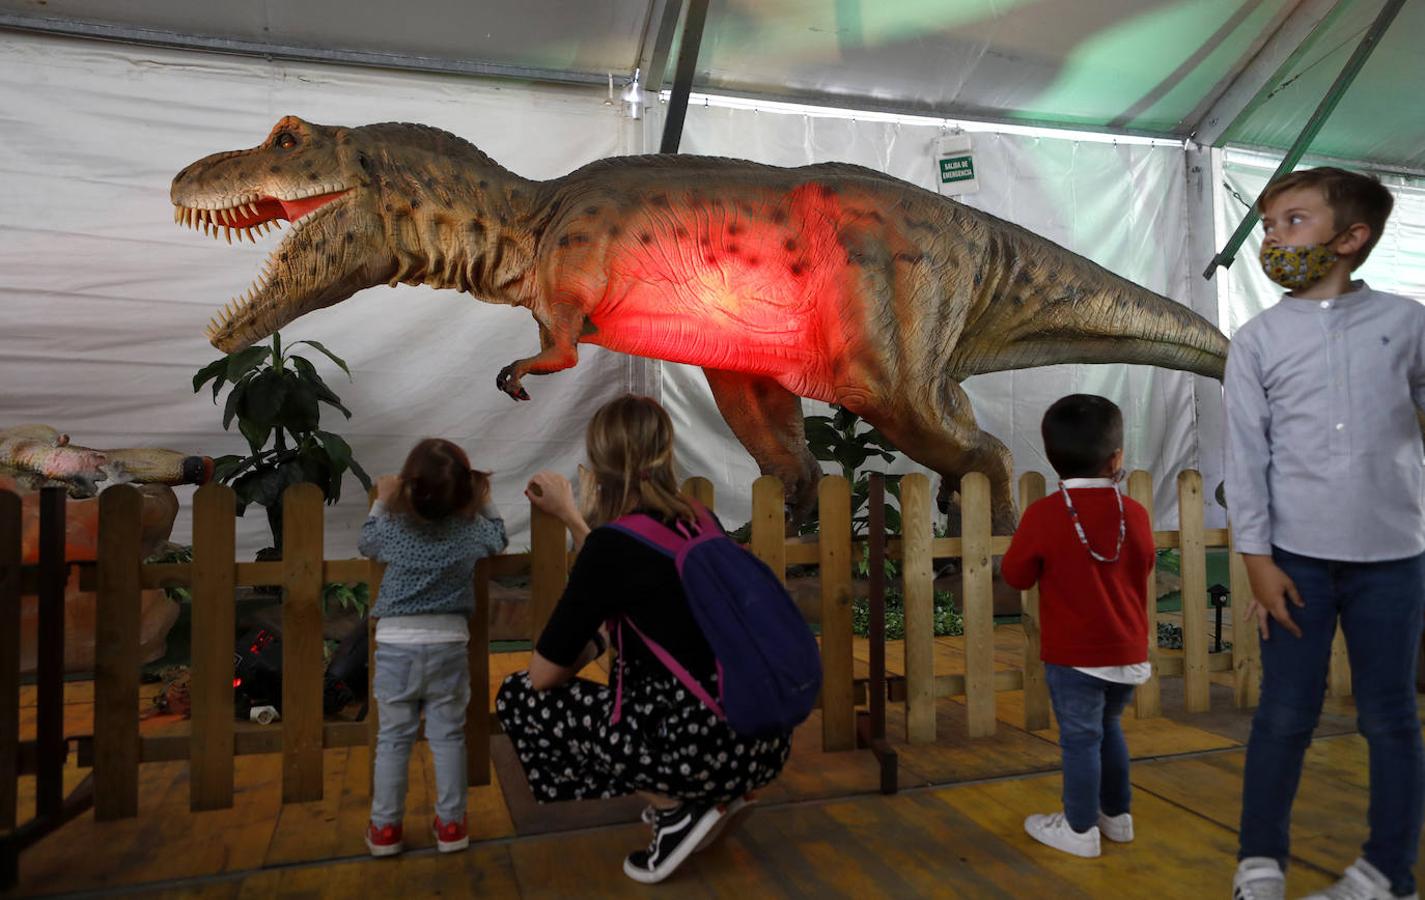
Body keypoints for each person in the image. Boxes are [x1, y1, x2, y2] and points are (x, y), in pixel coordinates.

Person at [495, 394, 792, 885]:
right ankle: (714, 794)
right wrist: (575, 520)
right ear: (666, 452)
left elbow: (546, 674)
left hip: (697, 746)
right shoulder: (700, 521)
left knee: (522, 698)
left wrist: (575, 519)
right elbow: (642, 592)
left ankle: (677, 808)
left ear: (598, 464)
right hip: (761, 736)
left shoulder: (610, 549)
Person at [1226, 168, 1424, 900]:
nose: (1273, 238)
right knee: (1282, 714)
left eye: (1292, 221)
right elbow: (1244, 456)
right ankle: (1258, 863)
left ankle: (1386, 872)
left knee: (1391, 718)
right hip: (1294, 565)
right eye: (1270, 225)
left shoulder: (1407, 324)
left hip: (1394, 560)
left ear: (1350, 238)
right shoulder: (1254, 340)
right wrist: (1255, 559)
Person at [1001, 394, 1155, 859]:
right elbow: (1144, 564)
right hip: (1127, 650)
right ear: (1117, 458)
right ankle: (1117, 817)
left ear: (1051, 457)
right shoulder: (1136, 514)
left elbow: (1016, 575)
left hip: (1074, 656)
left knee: (1080, 739)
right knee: (1109, 729)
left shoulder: (1047, 514)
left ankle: (1079, 828)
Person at [358, 438, 508, 857]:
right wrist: (487, 503)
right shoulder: (470, 532)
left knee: (393, 740)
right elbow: (499, 538)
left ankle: (385, 830)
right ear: (466, 489)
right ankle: (452, 825)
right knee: (447, 738)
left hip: (395, 646)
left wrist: (382, 503)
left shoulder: (394, 528)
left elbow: (367, 542)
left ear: (410, 485)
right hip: (447, 645)